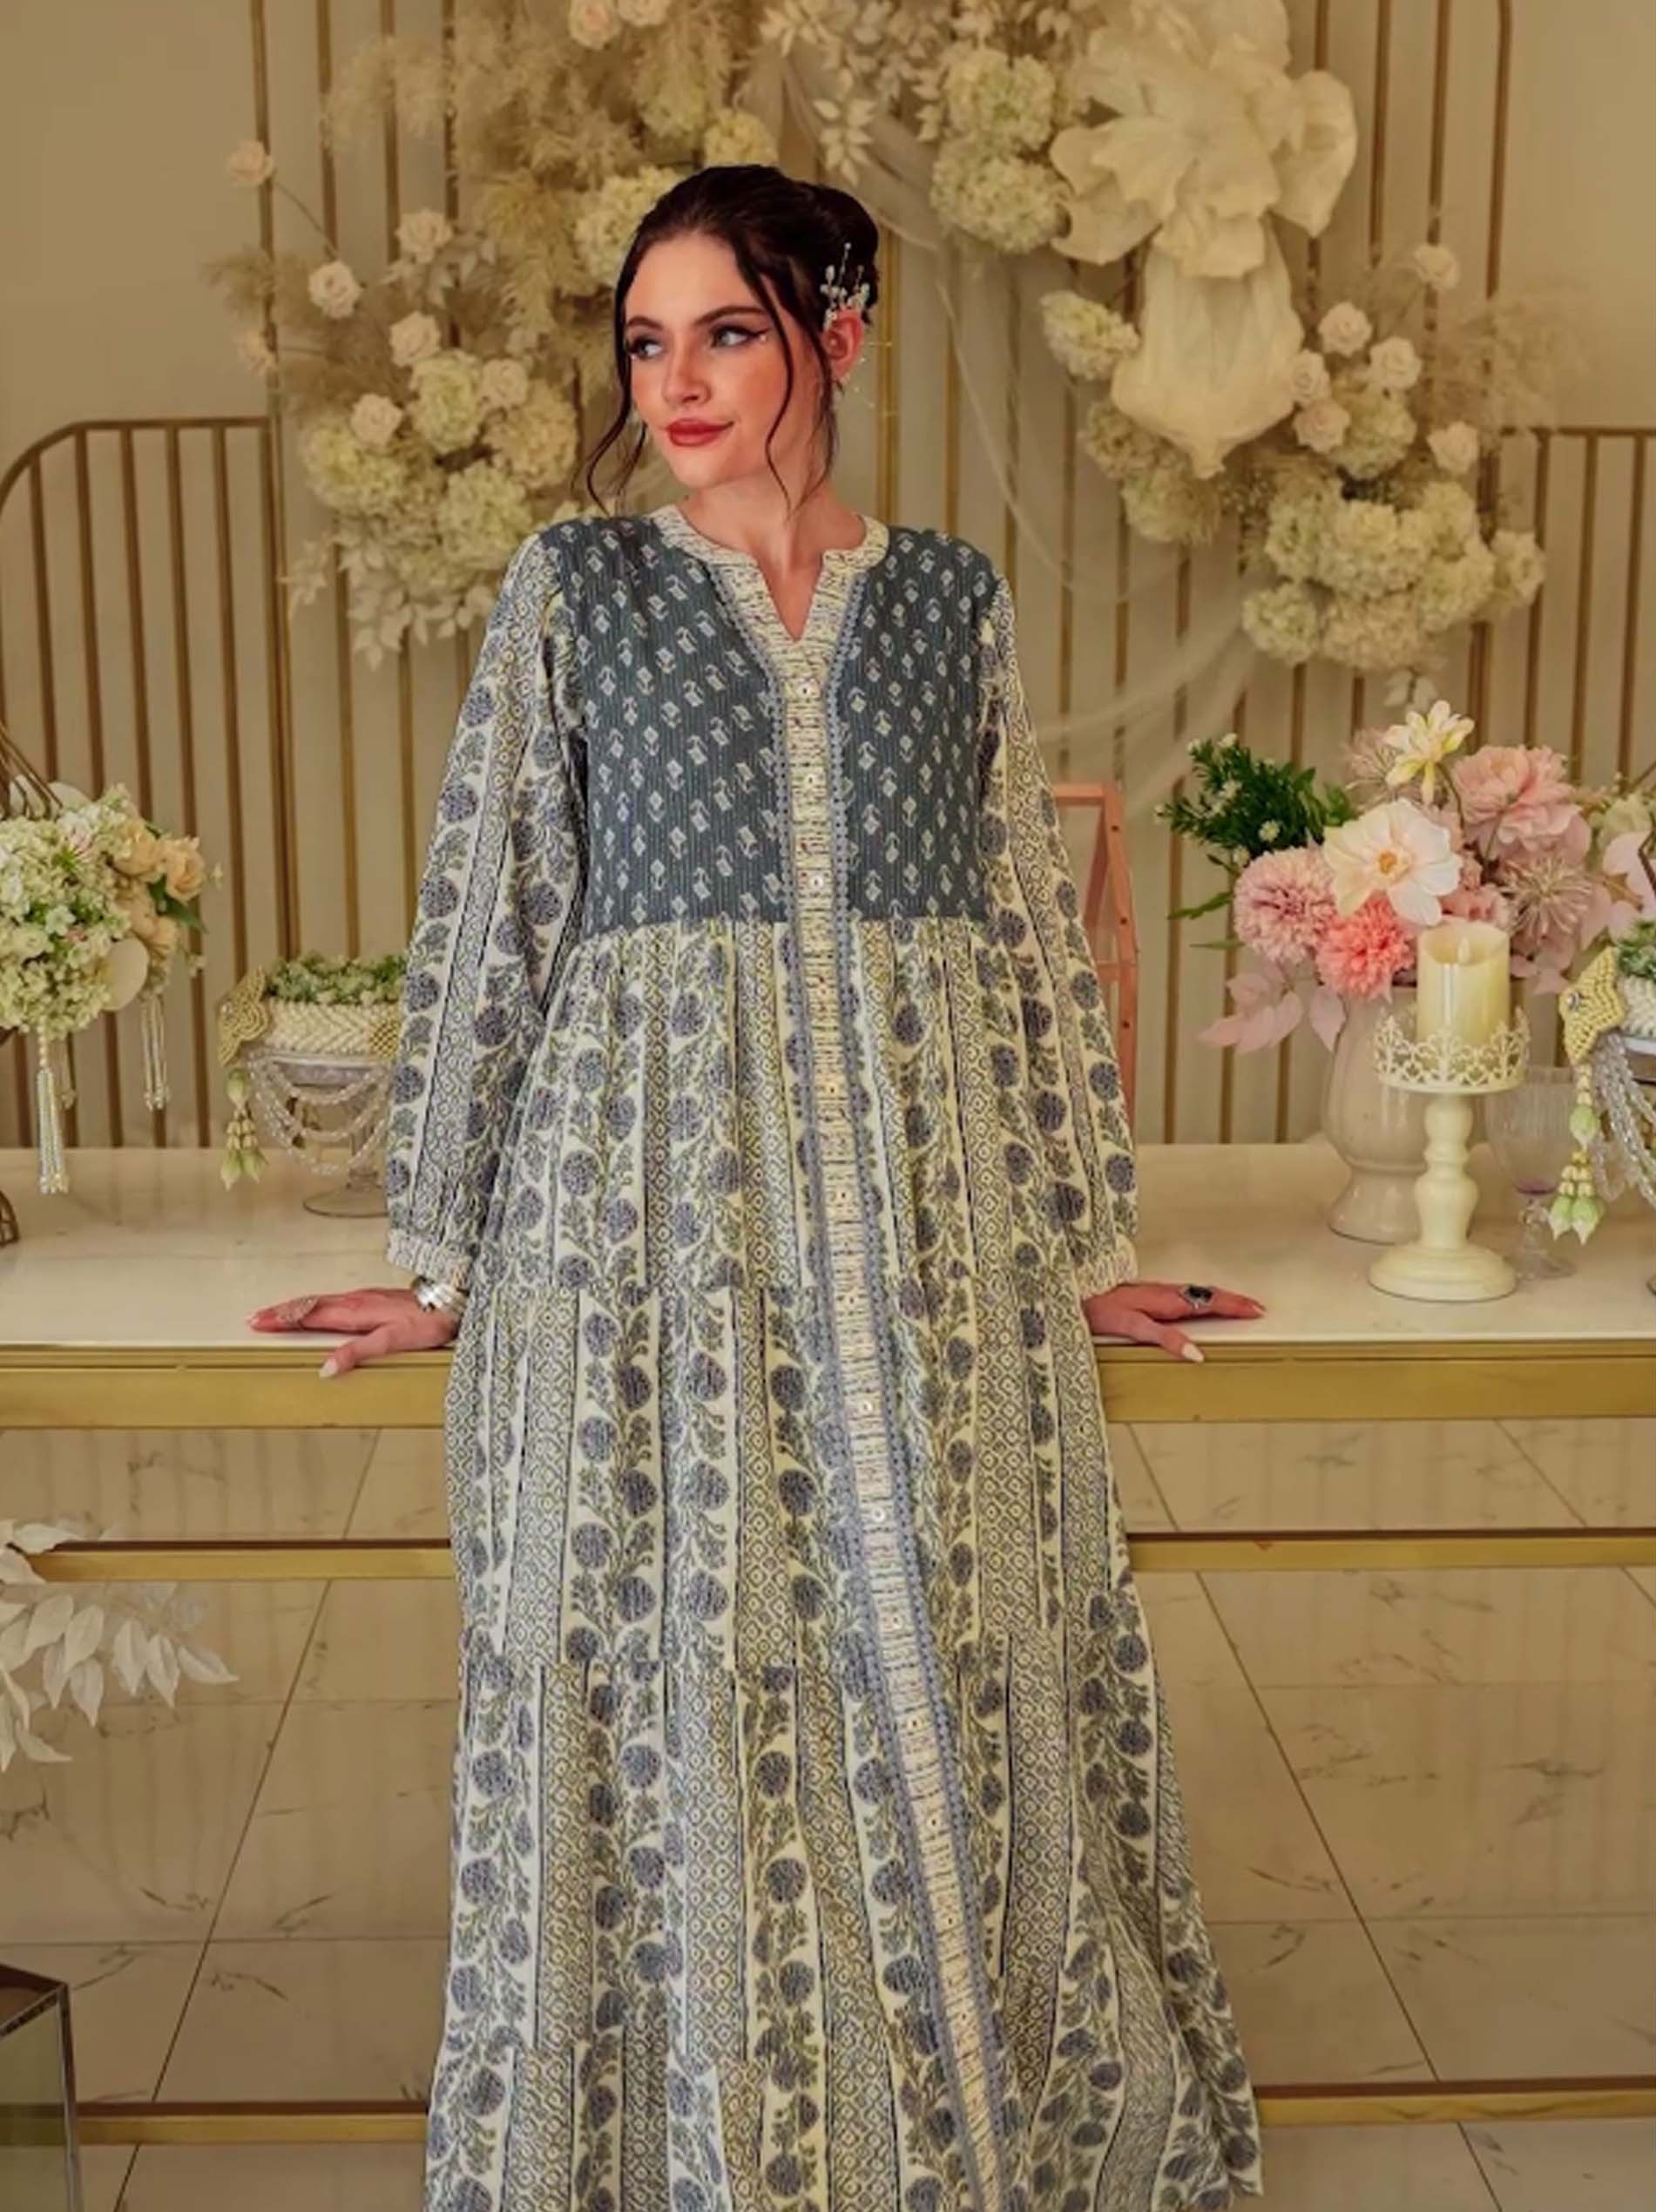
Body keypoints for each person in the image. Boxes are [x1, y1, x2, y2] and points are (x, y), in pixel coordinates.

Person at [248, 164, 1267, 2211]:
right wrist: (435, 1256)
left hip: (922, 1232)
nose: (680, 379)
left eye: (728, 330)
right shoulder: (580, 590)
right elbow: (496, 911)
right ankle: (694, 2148)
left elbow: (1018, 927)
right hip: (644, 1238)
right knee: (684, 1671)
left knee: (948, 1654)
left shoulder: (948, 603)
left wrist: (1082, 1236)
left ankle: (950, 2137)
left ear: (841, 336)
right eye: (648, 341)